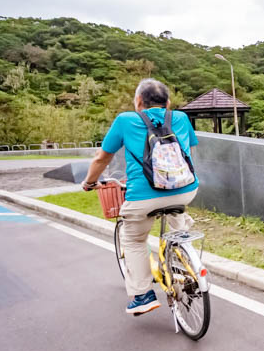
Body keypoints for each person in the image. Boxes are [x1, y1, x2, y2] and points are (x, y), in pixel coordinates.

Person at [82, 78, 199, 315]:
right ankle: (185, 256)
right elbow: (189, 152)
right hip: (186, 190)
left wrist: (90, 182)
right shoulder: (181, 118)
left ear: (138, 101)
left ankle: (143, 295)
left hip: (144, 197)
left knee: (134, 240)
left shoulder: (125, 120)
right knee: (176, 219)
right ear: (168, 102)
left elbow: (101, 159)